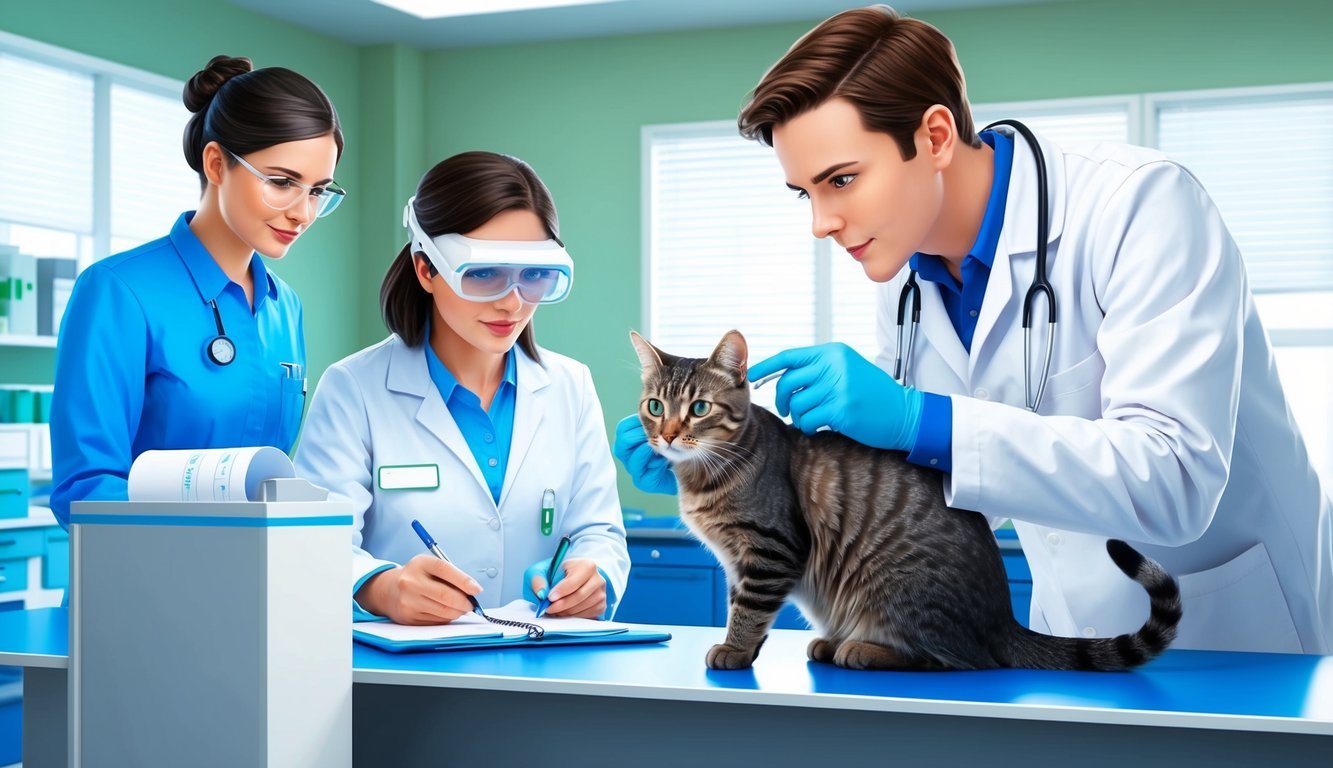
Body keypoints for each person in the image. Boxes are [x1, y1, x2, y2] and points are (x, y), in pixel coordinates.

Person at [615, 5, 1332, 654]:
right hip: (1064, 621)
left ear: (931, 136)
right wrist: (728, 467)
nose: (820, 223)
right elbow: (927, 491)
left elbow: (1174, 477)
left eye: (840, 180)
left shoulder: (1141, 207)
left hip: (1231, 629)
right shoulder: (901, 269)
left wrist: (917, 419)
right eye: (804, 192)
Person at [294, 152, 629, 625]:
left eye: (533, 275)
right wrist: (381, 588)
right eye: (484, 274)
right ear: (427, 270)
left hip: (545, 666)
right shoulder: (355, 389)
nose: (512, 302)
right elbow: (314, 548)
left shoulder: (570, 386)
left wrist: (594, 577)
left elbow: (599, 531)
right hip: (404, 678)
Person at [50, 55, 346, 529]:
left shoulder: (284, 306)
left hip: (256, 583)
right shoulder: (118, 292)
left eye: (317, 191)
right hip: (140, 587)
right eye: (282, 182)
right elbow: (87, 489)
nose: (302, 213)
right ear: (216, 163)